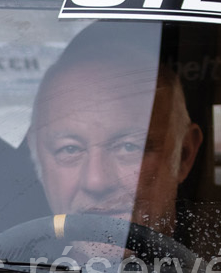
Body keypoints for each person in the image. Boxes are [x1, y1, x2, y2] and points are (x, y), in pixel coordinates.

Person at [24, 23, 202, 256]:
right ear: (36, 154)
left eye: (129, 147)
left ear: (184, 154)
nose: (96, 181)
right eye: (70, 149)